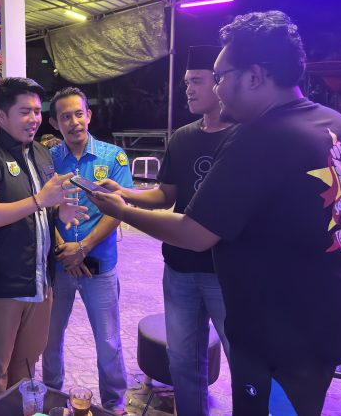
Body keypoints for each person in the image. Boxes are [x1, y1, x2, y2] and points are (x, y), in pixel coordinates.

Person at [90, 11, 341, 415]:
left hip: (278, 336)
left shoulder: (261, 139)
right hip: (323, 324)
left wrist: (121, 211)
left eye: (219, 77)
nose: (216, 88)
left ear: (254, 76)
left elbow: (195, 233)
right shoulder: (337, 125)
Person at [115, 46, 233, 416]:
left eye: (197, 81)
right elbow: (166, 195)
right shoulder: (183, 137)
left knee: (243, 358)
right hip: (180, 268)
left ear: (220, 82)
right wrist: (124, 193)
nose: (189, 89)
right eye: (186, 83)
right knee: (182, 360)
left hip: (227, 272)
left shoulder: (244, 137)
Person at [0, 77, 85, 407]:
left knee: (28, 365)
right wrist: (40, 201)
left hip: (41, 282)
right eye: (24, 112)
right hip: (3, 286)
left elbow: (44, 203)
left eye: (36, 111)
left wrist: (59, 208)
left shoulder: (41, 153)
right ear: (2, 116)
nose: (34, 119)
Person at [42, 87, 131, 414]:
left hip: (100, 266)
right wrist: (63, 248)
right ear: (55, 123)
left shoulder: (113, 157)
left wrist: (84, 247)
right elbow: (43, 208)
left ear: (89, 115)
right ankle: (52, 400)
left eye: (79, 114)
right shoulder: (48, 160)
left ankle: (114, 404)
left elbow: (119, 210)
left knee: (108, 342)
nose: (74, 122)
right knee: (51, 340)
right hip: (60, 266)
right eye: (65, 116)